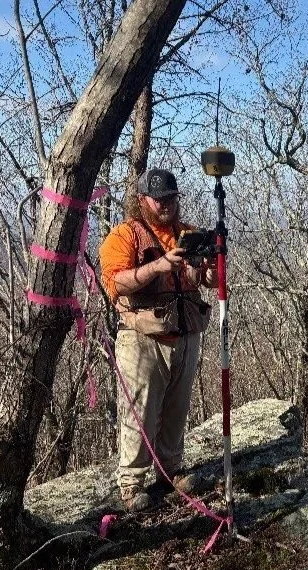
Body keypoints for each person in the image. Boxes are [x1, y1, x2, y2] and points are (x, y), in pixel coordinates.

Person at [99, 168, 218, 512]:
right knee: (140, 413)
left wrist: (208, 267)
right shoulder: (125, 236)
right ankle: (131, 483)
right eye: (159, 199)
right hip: (142, 338)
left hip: (186, 334)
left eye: (171, 198)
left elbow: (204, 281)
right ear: (142, 201)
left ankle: (170, 471)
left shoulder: (188, 233)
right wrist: (159, 266)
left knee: (176, 410)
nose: (166, 204)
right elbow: (116, 284)